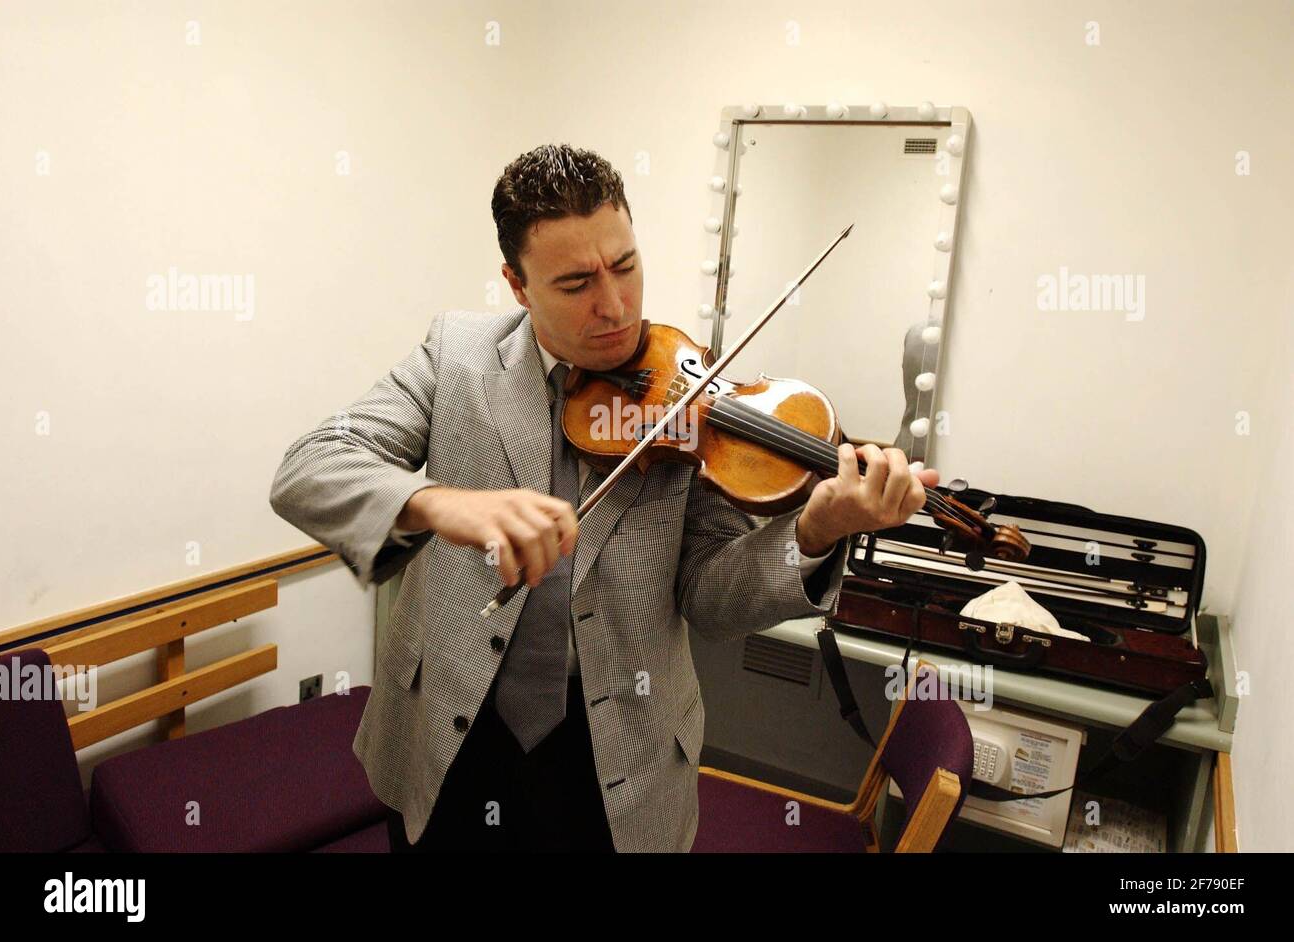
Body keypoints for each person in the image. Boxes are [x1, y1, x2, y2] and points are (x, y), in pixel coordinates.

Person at [268, 143, 938, 853]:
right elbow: (310, 467)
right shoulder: (454, 355)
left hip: (618, 757)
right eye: (576, 282)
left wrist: (816, 530)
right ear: (518, 285)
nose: (615, 306)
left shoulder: (694, 393)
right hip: (450, 738)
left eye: (624, 266)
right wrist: (442, 504)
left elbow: (712, 597)